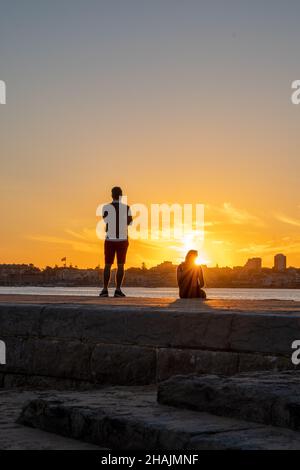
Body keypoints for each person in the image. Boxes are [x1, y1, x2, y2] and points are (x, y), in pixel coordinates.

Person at [99, 187, 132, 297]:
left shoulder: (106, 207)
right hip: (122, 239)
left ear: (111, 195)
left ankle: (105, 290)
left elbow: (105, 220)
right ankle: (118, 290)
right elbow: (129, 223)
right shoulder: (127, 208)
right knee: (121, 265)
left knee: (107, 265)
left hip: (110, 239)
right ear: (121, 195)